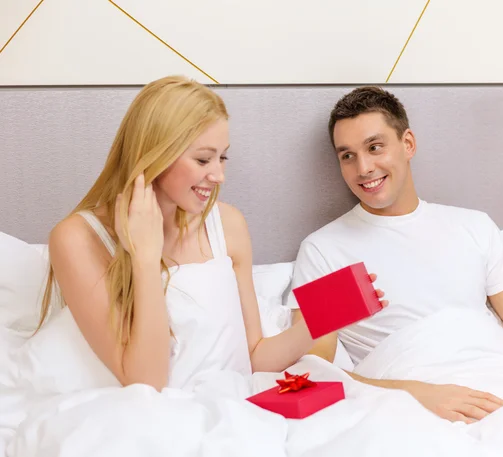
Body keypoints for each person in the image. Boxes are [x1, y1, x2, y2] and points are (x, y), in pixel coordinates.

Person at [36, 76, 387, 391]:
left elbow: (256, 358)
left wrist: (323, 320)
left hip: (236, 404)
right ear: (153, 154)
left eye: (223, 158)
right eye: (203, 160)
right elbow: (146, 383)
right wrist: (144, 259)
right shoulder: (76, 239)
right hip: (157, 418)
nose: (218, 176)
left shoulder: (228, 225)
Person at [288, 86, 503, 424]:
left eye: (375, 147)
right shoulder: (325, 249)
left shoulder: (474, 227)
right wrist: (416, 395)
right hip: (409, 407)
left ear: (407, 144)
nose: (363, 168)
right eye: (347, 155)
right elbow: (315, 373)